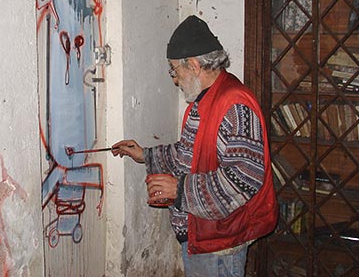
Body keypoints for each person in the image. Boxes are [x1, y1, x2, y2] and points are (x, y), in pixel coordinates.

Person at [111, 15, 278, 277]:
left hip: (221, 241)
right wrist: (145, 155)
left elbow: (243, 179)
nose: (175, 80)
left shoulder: (234, 105)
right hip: (204, 233)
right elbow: (192, 152)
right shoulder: (206, 98)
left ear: (193, 65)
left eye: (174, 70)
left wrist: (179, 189)